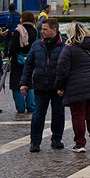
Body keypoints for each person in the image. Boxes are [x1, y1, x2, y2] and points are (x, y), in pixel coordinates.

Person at [56, 21, 90, 152]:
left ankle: (80, 144)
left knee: (78, 115)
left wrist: (60, 86)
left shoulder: (69, 48)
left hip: (76, 85)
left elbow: (62, 70)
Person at [21, 18, 65, 152]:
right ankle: (35, 142)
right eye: (41, 29)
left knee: (58, 114)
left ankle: (56, 139)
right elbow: (29, 65)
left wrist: (63, 85)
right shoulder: (37, 44)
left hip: (57, 87)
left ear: (54, 30)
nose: (42, 31)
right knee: (38, 115)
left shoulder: (64, 44)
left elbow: (68, 67)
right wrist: (24, 82)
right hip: (40, 85)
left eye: (45, 29)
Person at [7, 11, 38, 114]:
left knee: (17, 83)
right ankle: (31, 105)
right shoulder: (35, 30)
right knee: (30, 82)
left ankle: (20, 107)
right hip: (31, 60)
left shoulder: (18, 30)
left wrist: (12, 54)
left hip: (18, 61)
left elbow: (13, 47)